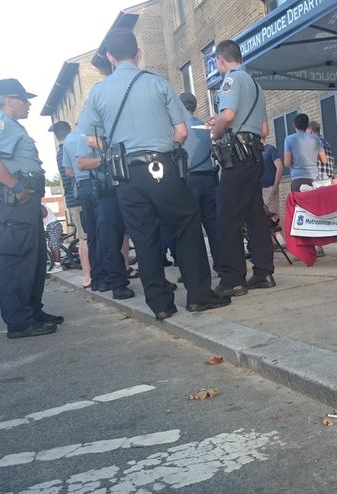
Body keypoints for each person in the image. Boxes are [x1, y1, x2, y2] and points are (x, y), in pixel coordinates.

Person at [78, 28, 229, 319]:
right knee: (186, 225)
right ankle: (198, 296)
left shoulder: (98, 92)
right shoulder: (157, 84)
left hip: (126, 174)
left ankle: (160, 305)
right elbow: (182, 132)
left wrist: (112, 147)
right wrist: (166, 142)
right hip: (163, 167)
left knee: (143, 236)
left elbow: (87, 137)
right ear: (139, 53)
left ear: (109, 57)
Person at [0, 78, 63, 338]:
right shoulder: (0, 123)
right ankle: (19, 321)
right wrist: (17, 188)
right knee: (18, 260)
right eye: (24, 99)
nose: (28, 105)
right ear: (9, 100)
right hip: (16, 203)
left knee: (34, 259)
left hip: (24, 204)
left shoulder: (8, 125)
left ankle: (31, 311)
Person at [210, 38, 276, 295]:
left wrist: (215, 132)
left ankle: (233, 278)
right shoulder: (256, 86)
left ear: (220, 59)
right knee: (255, 215)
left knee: (226, 217)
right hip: (255, 155)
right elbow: (264, 129)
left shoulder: (231, 80)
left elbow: (227, 116)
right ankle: (263, 273)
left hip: (236, 157)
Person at [74, 137, 133, 300]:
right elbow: (82, 164)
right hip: (107, 190)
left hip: (131, 185)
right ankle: (116, 282)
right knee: (109, 238)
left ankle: (155, 278)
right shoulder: (90, 135)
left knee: (143, 232)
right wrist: (109, 157)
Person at [179, 92, 220, 272]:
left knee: (190, 230)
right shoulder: (205, 128)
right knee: (214, 226)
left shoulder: (176, 130)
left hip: (187, 181)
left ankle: (195, 271)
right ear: (194, 106)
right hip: (208, 179)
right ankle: (221, 265)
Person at [50, 121, 91, 287]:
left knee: (84, 237)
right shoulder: (73, 146)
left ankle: (88, 275)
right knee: (84, 237)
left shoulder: (60, 152)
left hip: (72, 198)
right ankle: (88, 276)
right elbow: (72, 172)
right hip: (79, 196)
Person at [284, 113, 327, 192]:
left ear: (294, 125)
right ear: (307, 125)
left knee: (299, 204)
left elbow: (287, 163)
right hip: (314, 179)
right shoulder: (316, 139)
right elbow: (324, 160)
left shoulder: (289, 139)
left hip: (298, 180)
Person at [260, 137, 283, 215]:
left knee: (273, 215)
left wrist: (275, 186)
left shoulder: (270, 149)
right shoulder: (255, 153)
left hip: (270, 187)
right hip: (259, 189)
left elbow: (279, 167)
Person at [42, 204, 63, 274]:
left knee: (54, 246)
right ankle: (56, 263)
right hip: (51, 226)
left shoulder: (40, 206)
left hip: (53, 226)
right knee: (51, 245)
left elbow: (43, 215)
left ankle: (58, 266)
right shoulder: (39, 204)